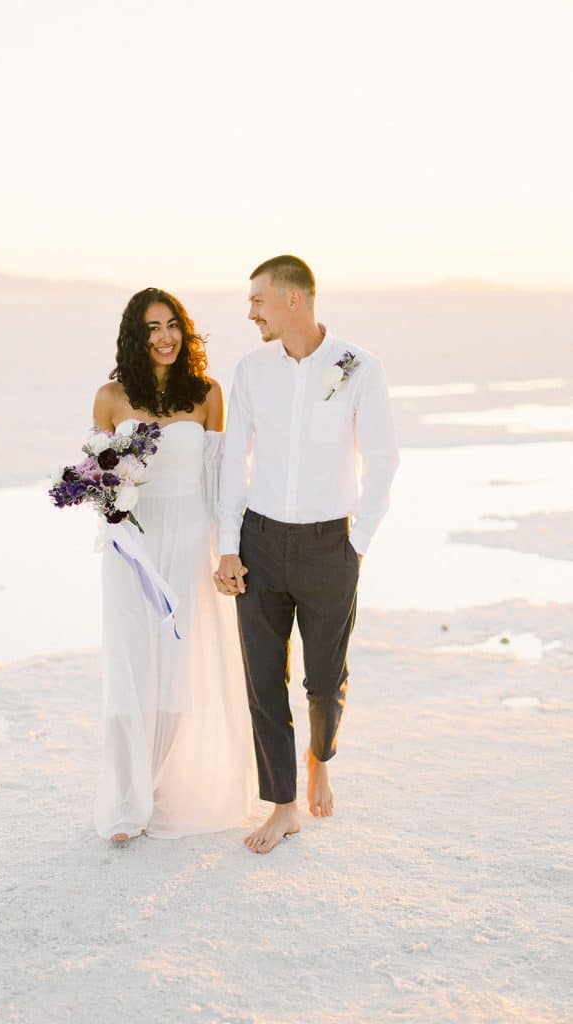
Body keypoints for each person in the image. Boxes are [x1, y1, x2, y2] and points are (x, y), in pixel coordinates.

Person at [215, 255, 399, 854]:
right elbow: (231, 463)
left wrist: (358, 543)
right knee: (264, 682)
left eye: (258, 301)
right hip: (260, 546)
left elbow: (383, 458)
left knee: (324, 680)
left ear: (294, 300)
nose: (251, 313)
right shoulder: (250, 371)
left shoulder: (358, 368)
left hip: (329, 547)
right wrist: (228, 546)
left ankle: (322, 755)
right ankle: (283, 804)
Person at [92, 287, 255, 842]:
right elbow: (100, 477)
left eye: (171, 326)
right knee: (131, 664)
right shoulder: (111, 397)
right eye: (150, 329)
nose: (163, 337)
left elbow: (219, 481)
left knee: (179, 668)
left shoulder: (207, 394)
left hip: (189, 539)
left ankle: (161, 786)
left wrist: (226, 548)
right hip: (131, 548)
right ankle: (126, 799)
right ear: (134, 339)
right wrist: (113, 524)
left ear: (185, 332)